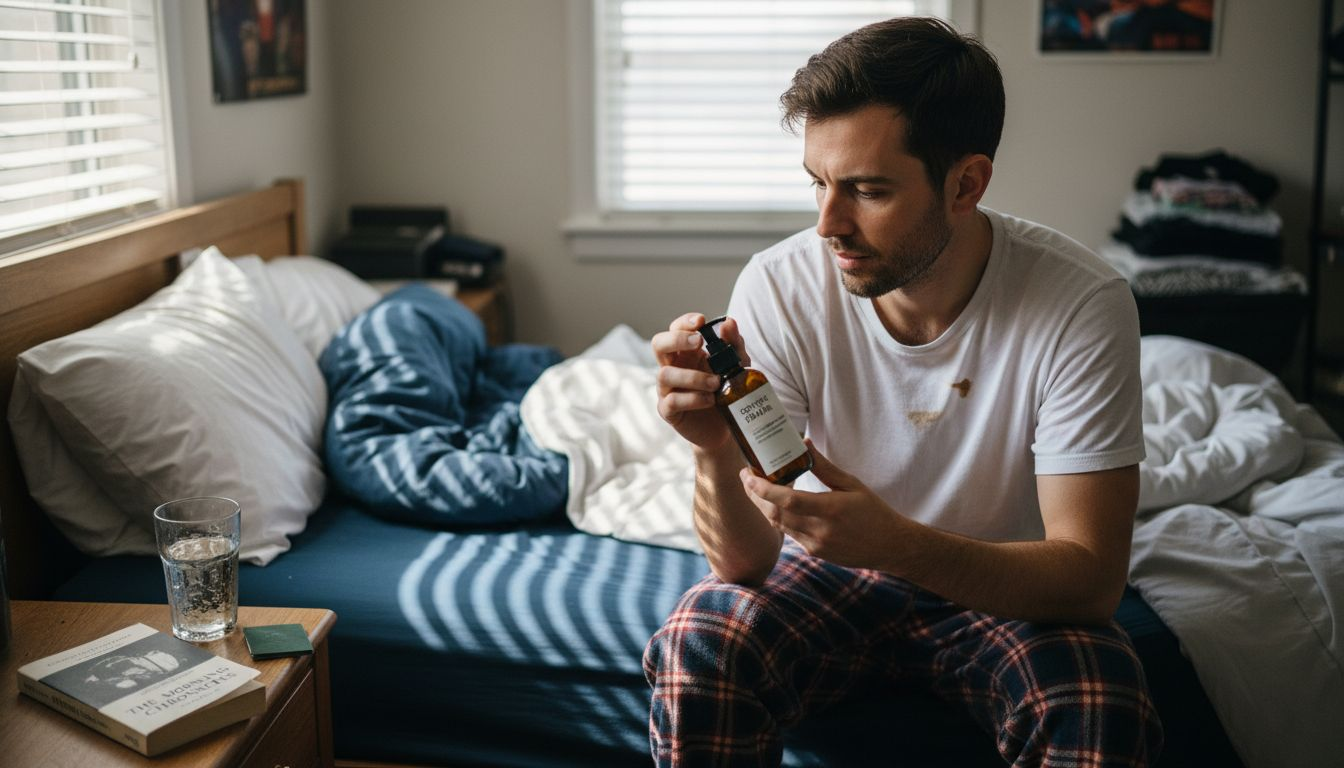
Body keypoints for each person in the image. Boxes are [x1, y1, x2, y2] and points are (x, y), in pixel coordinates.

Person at [645, 16, 1162, 768]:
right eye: (818, 184)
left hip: (1002, 580)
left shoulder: (1080, 301)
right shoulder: (779, 285)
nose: (828, 224)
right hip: (826, 578)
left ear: (966, 183)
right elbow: (745, 565)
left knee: (1096, 693)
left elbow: (1088, 582)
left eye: (867, 190)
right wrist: (713, 450)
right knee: (701, 639)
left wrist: (895, 544)